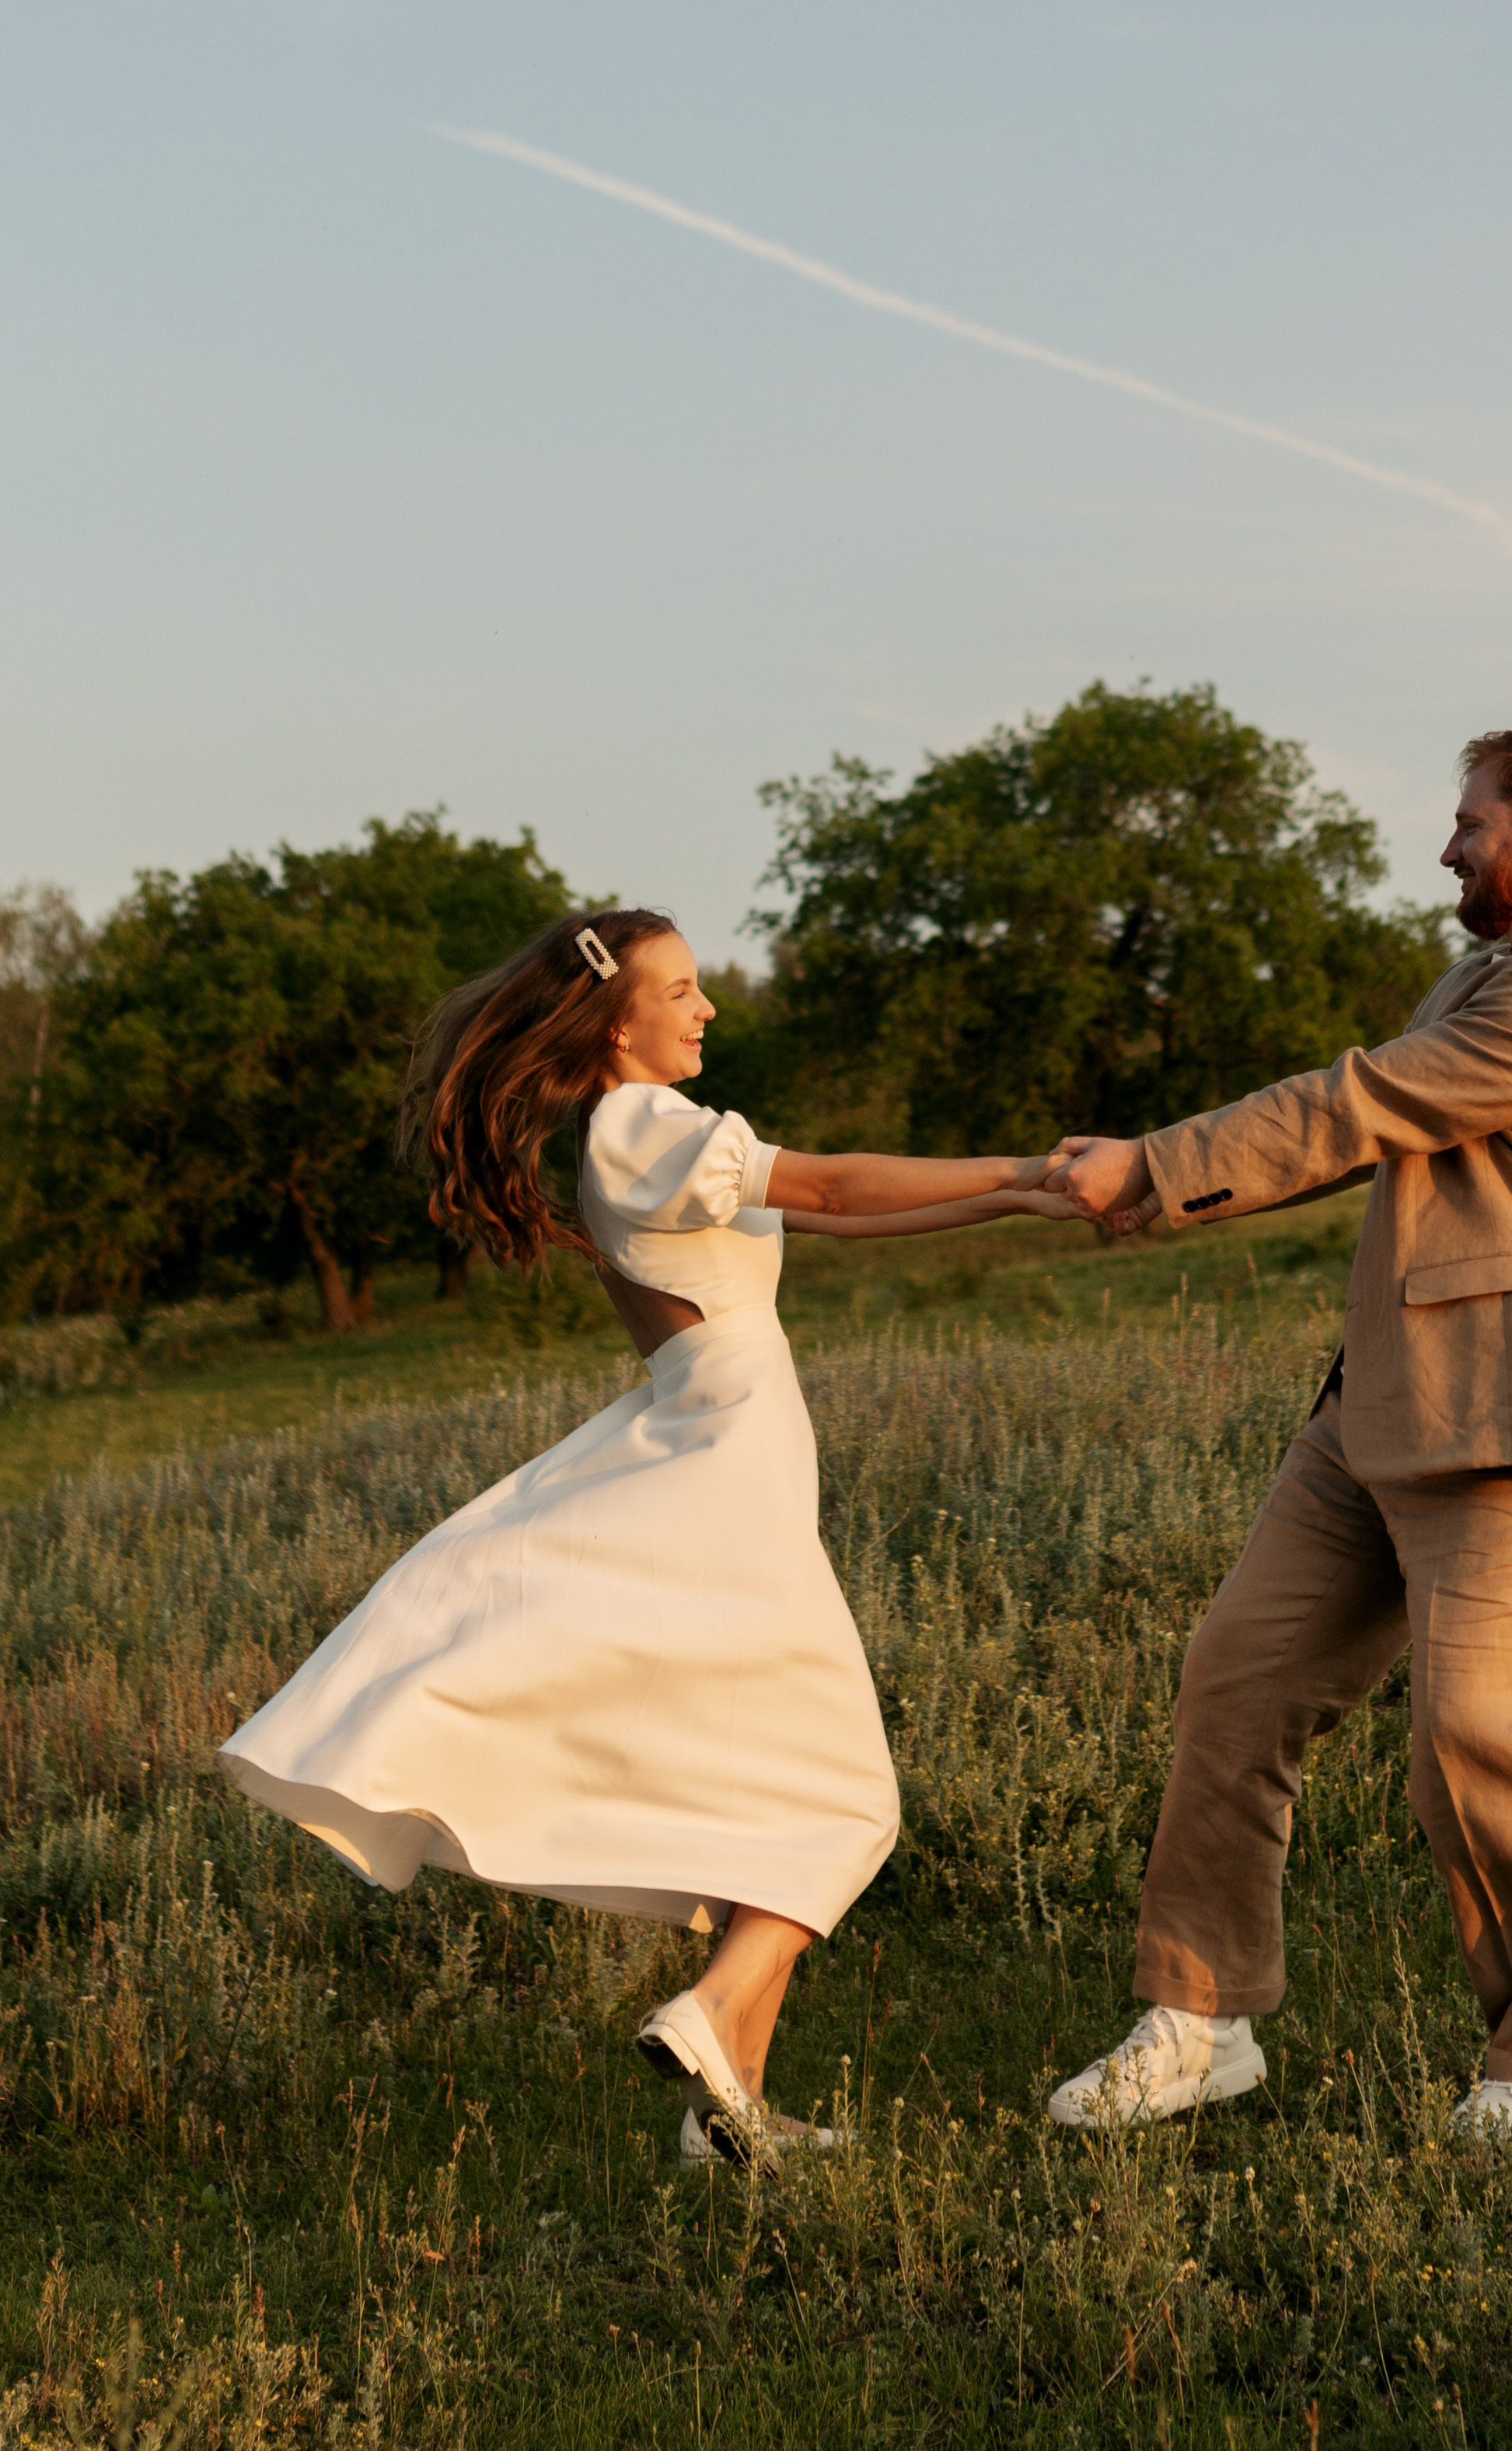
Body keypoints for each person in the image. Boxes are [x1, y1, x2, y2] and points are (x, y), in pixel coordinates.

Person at [220, 906, 1083, 2168]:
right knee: (850, 1798)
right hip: (725, 1455)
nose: (706, 1008)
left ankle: (726, 2117)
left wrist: (1024, 1198)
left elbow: (838, 1218)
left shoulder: (657, 1140)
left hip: (726, 1441)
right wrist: (1027, 1166)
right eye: (680, 990)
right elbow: (836, 1181)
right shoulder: (644, 1128)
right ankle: (710, 2012)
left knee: (773, 1781)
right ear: (615, 1022)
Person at [1043, 728, 1512, 2138]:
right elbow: (1367, 1128)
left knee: (1471, 1740)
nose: (1447, 847)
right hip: (1378, 1412)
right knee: (1237, 1685)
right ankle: (1198, 2026)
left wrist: (1156, 1163)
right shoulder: (1485, 975)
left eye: (1469, 823)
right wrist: (1163, 1191)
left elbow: (1361, 1104)